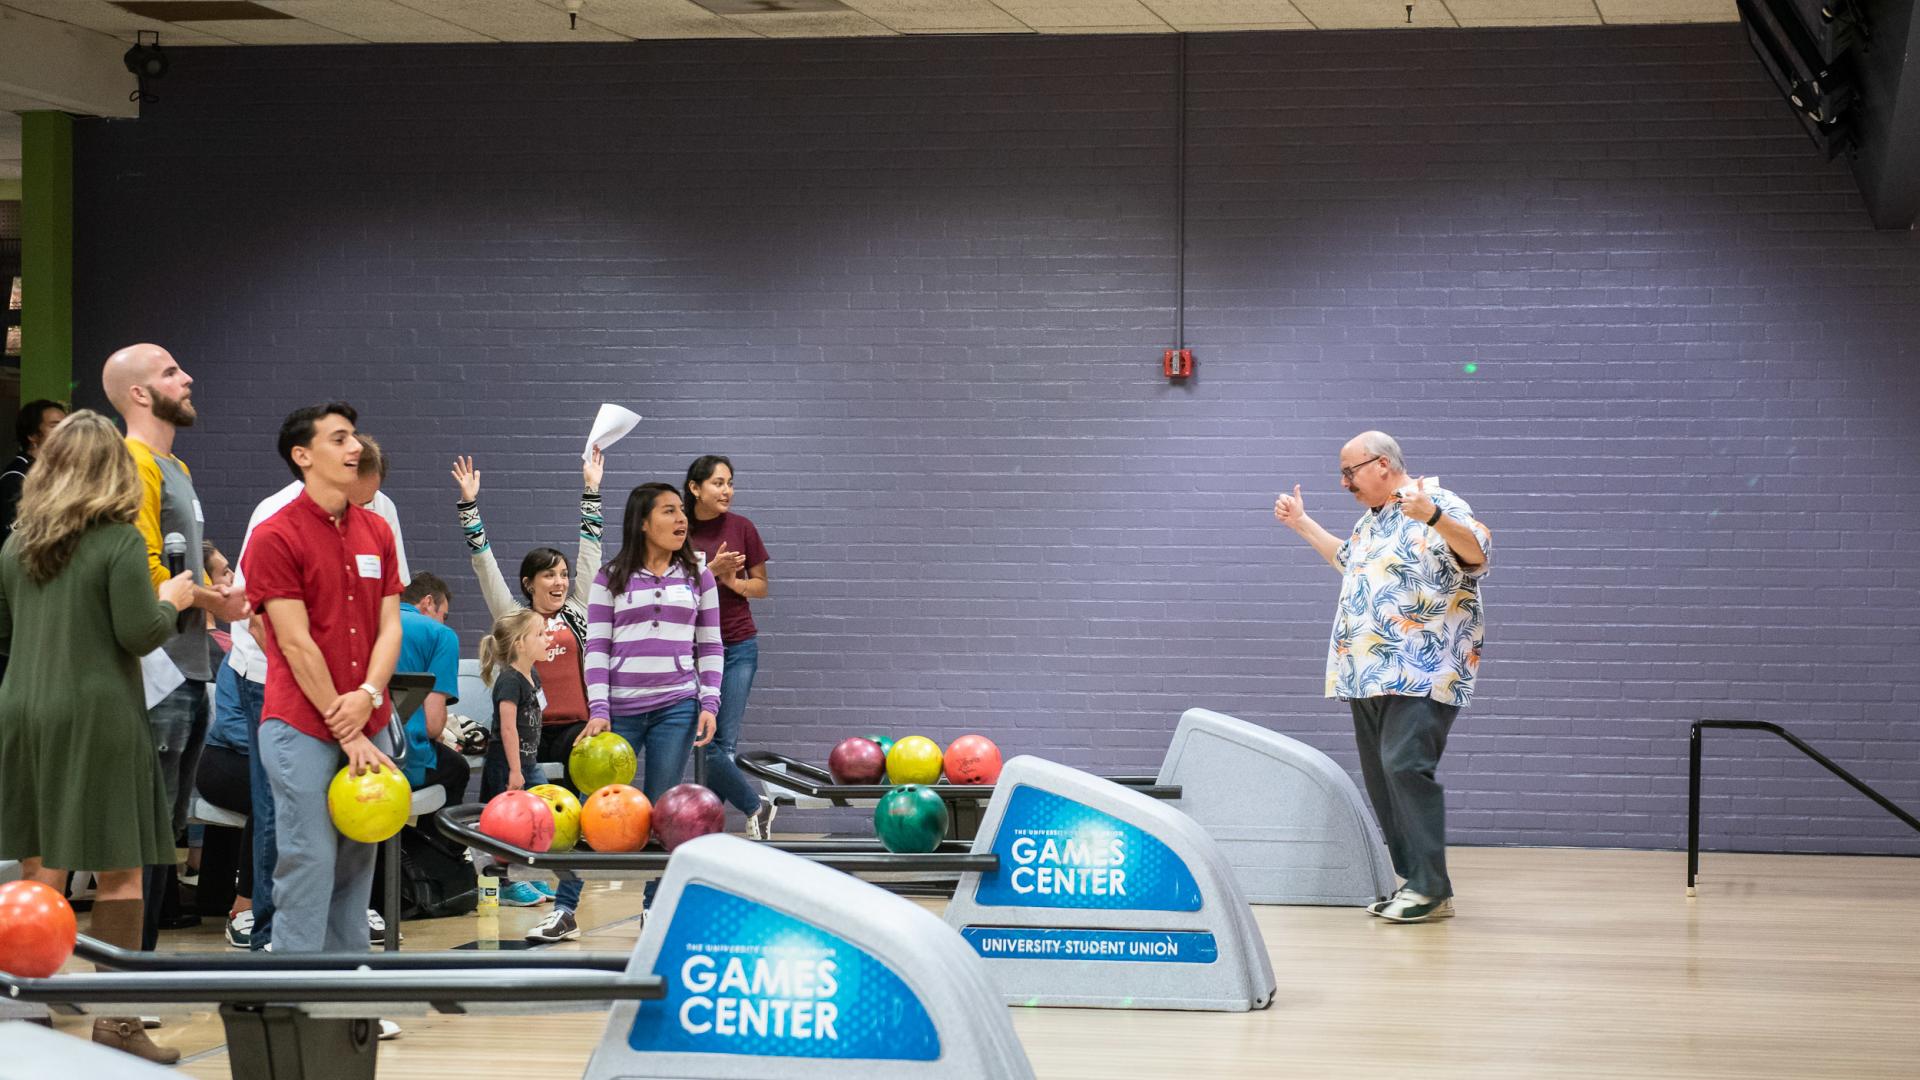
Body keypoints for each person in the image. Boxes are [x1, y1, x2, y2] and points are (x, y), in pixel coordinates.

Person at [0, 410, 195, 1062]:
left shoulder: (15, 545)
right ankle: (115, 1026)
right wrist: (180, 600)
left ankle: (22, 1013)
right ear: (113, 470)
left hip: (23, 708)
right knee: (120, 871)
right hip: (100, 710)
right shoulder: (114, 541)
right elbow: (139, 632)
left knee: (36, 868)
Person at [1272, 430, 1491, 924]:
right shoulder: (1372, 524)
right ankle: (1419, 884)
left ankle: (1430, 887)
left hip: (1420, 670)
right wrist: (1303, 524)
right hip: (1366, 673)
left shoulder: (1436, 502)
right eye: (1343, 473)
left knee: (1405, 766)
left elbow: (1477, 553)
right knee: (1382, 778)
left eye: (1350, 471)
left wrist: (1433, 517)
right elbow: (1347, 563)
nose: (1345, 482)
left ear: (1384, 465)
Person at [224, 431, 411, 949]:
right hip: (286, 696)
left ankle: (350, 993)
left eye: (369, 497)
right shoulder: (276, 524)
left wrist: (369, 697)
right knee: (304, 852)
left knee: (355, 855)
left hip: (360, 706)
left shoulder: (377, 521)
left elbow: (388, 623)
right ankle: (286, 972)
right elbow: (281, 636)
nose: (364, 506)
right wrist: (342, 719)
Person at [103, 342, 250, 950]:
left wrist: (215, 568)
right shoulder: (130, 462)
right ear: (140, 394)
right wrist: (221, 602)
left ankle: (138, 981)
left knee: (164, 832)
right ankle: (121, 984)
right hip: (155, 672)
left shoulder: (176, 470)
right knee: (140, 839)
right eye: (170, 372)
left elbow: (179, 551)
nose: (187, 378)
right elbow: (143, 573)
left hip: (190, 670)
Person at [451, 450, 604, 941]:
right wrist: (470, 506)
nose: (560, 581)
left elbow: (591, 552)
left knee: (570, 817)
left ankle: (567, 893)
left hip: (575, 730)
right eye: (549, 575)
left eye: (562, 574)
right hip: (524, 732)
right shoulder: (514, 618)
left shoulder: (579, 610)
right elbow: (483, 564)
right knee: (506, 798)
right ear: (529, 584)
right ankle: (495, 878)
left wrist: (591, 491)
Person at [585, 482, 720, 795]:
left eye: (682, 511)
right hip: (619, 710)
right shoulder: (610, 575)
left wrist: (710, 703)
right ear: (643, 523)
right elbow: (596, 648)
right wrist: (599, 709)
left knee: (661, 807)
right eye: (669, 511)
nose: (681, 519)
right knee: (600, 802)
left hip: (677, 706)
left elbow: (711, 646)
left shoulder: (700, 574)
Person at [683, 455, 776, 838]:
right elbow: (665, 590)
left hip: (737, 646)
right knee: (700, 739)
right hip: (688, 651)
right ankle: (756, 805)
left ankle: (707, 828)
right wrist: (711, 573)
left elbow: (762, 587)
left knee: (719, 743)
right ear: (695, 488)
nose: (727, 491)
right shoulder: (677, 531)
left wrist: (734, 582)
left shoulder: (742, 528)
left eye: (730, 483)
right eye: (718, 483)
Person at [395, 572, 470, 810]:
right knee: (458, 768)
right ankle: (435, 848)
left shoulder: (367, 623)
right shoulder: (441, 635)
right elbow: (432, 725)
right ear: (428, 602)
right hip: (404, 757)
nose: (444, 623)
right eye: (443, 616)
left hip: (349, 755)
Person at [0, 398, 68, 534]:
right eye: (55, 426)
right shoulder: (17, 476)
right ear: (32, 435)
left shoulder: (59, 471)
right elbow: (15, 538)